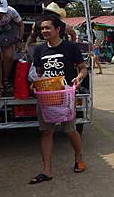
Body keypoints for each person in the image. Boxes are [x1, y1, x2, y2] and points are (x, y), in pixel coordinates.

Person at [29, 16, 87, 184]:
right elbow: (39, 73)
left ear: (58, 29)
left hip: (65, 96)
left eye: (48, 28)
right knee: (46, 132)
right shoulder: (39, 50)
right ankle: (46, 170)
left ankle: (78, 157)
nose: (44, 31)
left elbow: (83, 69)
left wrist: (78, 78)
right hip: (47, 97)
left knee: (69, 130)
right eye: (42, 29)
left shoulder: (70, 47)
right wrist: (35, 84)